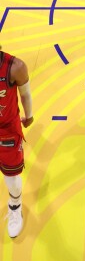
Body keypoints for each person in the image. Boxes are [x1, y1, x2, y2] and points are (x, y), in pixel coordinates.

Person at [0, 46, 34, 238]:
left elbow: (25, 94)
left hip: (6, 132)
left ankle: (15, 205)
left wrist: (29, 116)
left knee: (12, 178)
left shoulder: (15, 67)